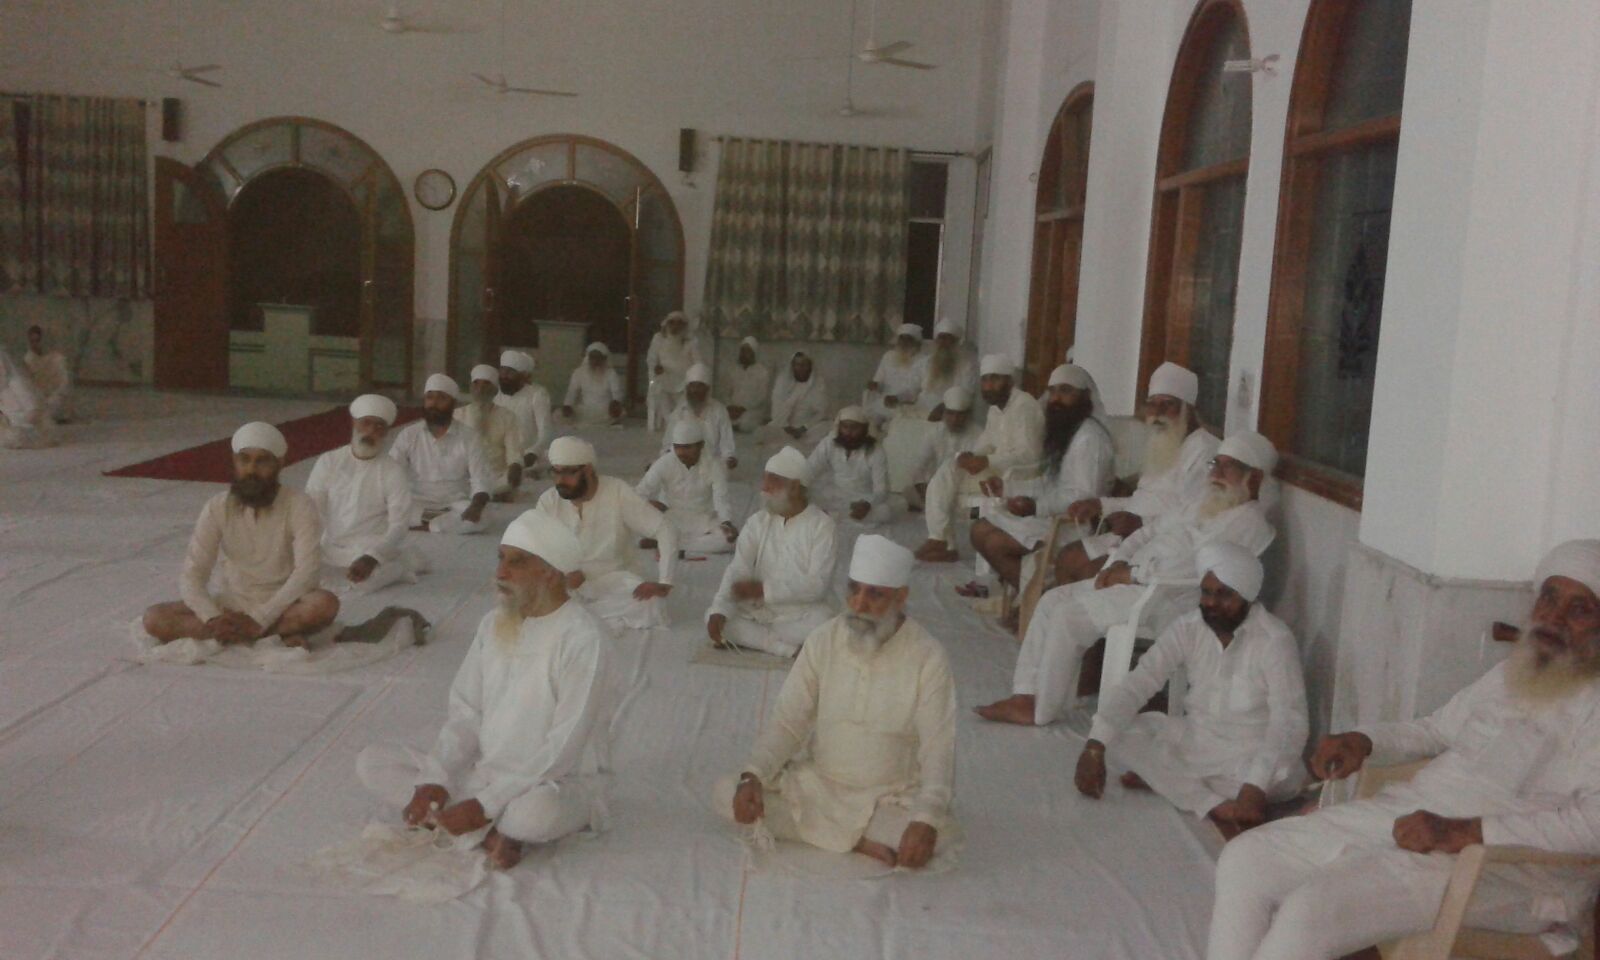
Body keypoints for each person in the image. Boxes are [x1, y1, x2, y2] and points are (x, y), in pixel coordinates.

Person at [1207, 540, 1600, 960]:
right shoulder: (1511, 673)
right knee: (1247, 858)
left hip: (1502, 869)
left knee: (1312, 910)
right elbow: (1434, 730)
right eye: (1549, 597)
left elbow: (1592, 825)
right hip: (1415, 817)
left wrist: (1466, 832)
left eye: (1579, 609)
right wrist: (1365, 741)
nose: (1553, 618)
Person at [355, 512, 615, 871]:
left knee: (533, 816)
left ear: (550, 572)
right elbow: (466, 712)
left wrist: (486, 804)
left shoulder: (584, 638)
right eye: (500, 559)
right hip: (485, 769)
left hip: (553, 781)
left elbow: (564, 746)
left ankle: (485, 825)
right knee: (372, 762)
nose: (500, 573)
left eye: (517, 562)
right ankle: (491, 833)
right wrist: (436, 779)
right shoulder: (493, 623)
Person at [978, 431, 1279, 727]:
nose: (1217, 474)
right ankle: (1025, 694)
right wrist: (1118, 562)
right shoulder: (1204, 501)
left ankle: (1040, 711)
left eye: (1229, 467)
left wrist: (1132, 574)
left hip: (1167, 597)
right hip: (1135, 579)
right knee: (1051, 600)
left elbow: (1195, 571)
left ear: (1253, 478)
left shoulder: (1248, 522)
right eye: (1216, 464)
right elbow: (1149, 531)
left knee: (1068, 617)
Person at [713, 535, 956, 869]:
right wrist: (752, 775)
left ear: (901, 598)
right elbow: (788, 722)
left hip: (887, 797)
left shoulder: (928, 656)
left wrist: (925, 818)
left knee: (937, 835)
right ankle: (856, 840)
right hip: (819, 786)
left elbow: (938, 747)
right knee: (727, 792)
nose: (859, 604)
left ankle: (837, 833)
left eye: (874, 594)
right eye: (854, 590)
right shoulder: (823, 640)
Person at [1073, 543, 1308, 834]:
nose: (1211, 603)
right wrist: (1094, 746)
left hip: (1249, 760)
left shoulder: (1274, 639)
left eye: (1224, 594)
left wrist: (1255, 786)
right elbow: (1140, 682)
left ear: (1247, 595)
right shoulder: (1188, 628)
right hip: (1197, 743)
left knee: (1284, 776)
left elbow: (1290, 720)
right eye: (1206, 593)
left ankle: (1179, 786)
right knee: (1124, 733)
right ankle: (1210, 801)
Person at [142, 422, 338, 648]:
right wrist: (212, 618)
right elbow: (193, 573)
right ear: (235, 462)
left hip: (285, 604)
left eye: (262, 461)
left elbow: (307, 573)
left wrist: (262, 617)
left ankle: (243, 633)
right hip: (232, 604)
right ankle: (267, 633)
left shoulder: (299, 505)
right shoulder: (217, 506)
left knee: (324, 604)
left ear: (279, 463)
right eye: (244, 460)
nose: (251, 469)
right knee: (154, 618)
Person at [1057, 361, 1220, 584]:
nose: (1157, 413)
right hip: (1133, 535)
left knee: (1087, 573)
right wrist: (1101, 505)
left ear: (1188, 409)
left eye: (1167, 404)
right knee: (1067, 558)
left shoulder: (1205, 450)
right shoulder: (1162, 442)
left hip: (1165, 545)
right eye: (1152, 405)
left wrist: (1142, 522)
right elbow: (1144, 499)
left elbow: (1192, 515)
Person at [964, 364, 1114, 595]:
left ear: (1084, 396)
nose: (1056, 399)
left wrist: (1036, 506)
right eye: (1052, 391)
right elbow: (1048, 481)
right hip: (1051, 515)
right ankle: (1031, 599)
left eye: (1065, 391)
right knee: (979, 529)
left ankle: (1037, 600)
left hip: (1074, 525)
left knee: (994, 542)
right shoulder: (1066, 431)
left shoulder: (1090, 438)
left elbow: (1084, 498)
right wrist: (1007, 487)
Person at [529, 436, 675, 631]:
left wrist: (665, 581)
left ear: (588, 470)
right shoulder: (548, 502)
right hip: (568, 586)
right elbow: (535, 550)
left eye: (568, 472)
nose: (560, 480)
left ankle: (576, 619)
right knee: (531, 599)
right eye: (555, 472)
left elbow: (665, 528)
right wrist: (560, 577)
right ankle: (584, 618)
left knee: (652, 604)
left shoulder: (617, 492)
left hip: (615, 581)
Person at [706, 447, 838, 657]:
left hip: (801, 614)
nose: (764, 488)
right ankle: (785, 648)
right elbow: (738, 568)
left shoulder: (822, 526)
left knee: (826, 624)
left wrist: (764, 590)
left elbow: (817, 584)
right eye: (764, 480)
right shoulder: (758, 521)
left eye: (772, 482)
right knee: (716, 618)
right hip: (758, 612)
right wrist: (719, 608)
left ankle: (766, 641)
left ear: (794, 487)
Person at [914, 354, 1045, 563]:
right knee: (950, 467)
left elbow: (1029, 454)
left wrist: (986, 461)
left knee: (951, 486)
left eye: (995, 379)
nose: (988, 386)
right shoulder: (995, 410)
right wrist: (971, 456)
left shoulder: (1025, 406)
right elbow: (986, 442)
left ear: (1009, 381)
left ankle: (942, 541)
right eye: (985, 380)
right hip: (995, 471)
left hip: (1018, 476)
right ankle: (940, 540)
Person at [305, 394, 419, 593]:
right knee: (291, 573)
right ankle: (402, 560)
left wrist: (372, 557)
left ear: (386, 432)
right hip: (330, 547)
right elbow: (311, 509)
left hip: (370, 548)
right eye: (366, 423)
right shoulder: (329, 461)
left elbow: (399, 525)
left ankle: (399, 567)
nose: (371, 431)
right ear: (354, 423)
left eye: (379, 426)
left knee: (364, 583)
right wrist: (306, 547)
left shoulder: (392, 470)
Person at [389, 374, 493, 534]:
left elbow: (480, 478)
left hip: (455, 502)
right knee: (385, 510)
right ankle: (439, 523)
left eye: (441, 398)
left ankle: (424, 525)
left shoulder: (469, 437)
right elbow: (392, 471)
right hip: (417, 501)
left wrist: (476, 507)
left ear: (453, 403)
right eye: (430, 397)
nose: (434, 403)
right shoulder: (409, 434)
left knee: (483, 516)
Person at [636, 420, 737, 555]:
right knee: (638, 519)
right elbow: (640, 492)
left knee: (727, 541)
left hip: (703, 520)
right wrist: (648, 504)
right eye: (677, 447)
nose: (681, 452)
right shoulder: (664, 463)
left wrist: (726, 523)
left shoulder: (714, 465)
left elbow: (721, 499)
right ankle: (672, 540)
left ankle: (671, 543)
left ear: (701, 445)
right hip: (671, 517)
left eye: (687, 448)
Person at [804, 406, 892, 526]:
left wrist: (868, 504)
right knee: (805, 493)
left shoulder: (876, 451)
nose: (849, 432)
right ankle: (837, 515)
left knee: (884, 511)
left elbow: (881, 490)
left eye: (855, 428)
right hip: (835, 494)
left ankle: (831, 515)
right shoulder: (829, 443)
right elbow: (809, 469)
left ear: (865, 429)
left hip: (863, 498)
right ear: (839, 427)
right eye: (845, 427)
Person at [905, 387, 983, 511]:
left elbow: (979, 471)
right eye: (950, 413)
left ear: (968, 415)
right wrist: (924, 491)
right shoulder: (934, 432)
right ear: (944, 413)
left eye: (960, 415)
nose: (954, 420)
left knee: (979, 507)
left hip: (965, 490)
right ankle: (936, 508)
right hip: (936, 488)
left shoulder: (979, 434)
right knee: (909, 492)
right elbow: (918, 465)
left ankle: (969, 517)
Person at [455, 364, 525, 500]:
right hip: (464, 477)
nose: (480, 389)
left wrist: (515, 466)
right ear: (470, 388)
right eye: (476, 383)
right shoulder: (457, 415)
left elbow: (514, 452)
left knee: (508, 481)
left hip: (496, 477)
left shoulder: (507, 416)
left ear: (495, 390)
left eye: (486, 384)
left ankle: (486, 493)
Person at [661, 363, 736, 468]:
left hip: (712, 465)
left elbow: (727, 444)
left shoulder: (719, 410)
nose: (695, 390)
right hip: (683, 465)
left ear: (707, 389)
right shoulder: (678, 412)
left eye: (699, 386)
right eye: (692, 386)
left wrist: (729, 459)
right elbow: (668, 445)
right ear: (687, 388)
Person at [496, 349, 552, 476]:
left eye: (510, 372)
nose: (504, 376)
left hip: (528, 461)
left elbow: (546, 433)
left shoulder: (537, 394)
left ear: (521, 375)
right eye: (502, 370)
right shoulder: (496, 394)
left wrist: (532, 453)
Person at [863, 323, 928, 428]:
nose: (904, 342)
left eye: (908, 339)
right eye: (901, 338)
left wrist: (898, 398)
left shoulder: (924, 360)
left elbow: (917, 389)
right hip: (884, 404)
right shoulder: (888, 356)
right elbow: (879, 381)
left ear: (917, 342)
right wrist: (875, 385)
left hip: (908, 407)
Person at [646, 311, 703, 430]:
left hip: (684, 384)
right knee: (656, 388)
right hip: (663, 380)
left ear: (684, 326)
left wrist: (694, 382)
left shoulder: (691, 342)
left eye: (679, 323)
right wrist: (656, 369)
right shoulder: (658, 339)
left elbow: (698, 364)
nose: (675, 326)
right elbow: (651, 360)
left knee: (684, 414)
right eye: (672, 323)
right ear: (666, 324)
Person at [766, 351, 832, 448]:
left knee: (828, 427)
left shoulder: (818, 384)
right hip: (784, 426)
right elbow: (776, 408)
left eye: (804, 365)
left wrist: (804, 428)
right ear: (792, 366)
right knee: (765, 432)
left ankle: (793, 441)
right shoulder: (783, 382)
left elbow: (821, 412)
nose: (801, 368)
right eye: (797, 364)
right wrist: (786, 427)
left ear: (810, 366)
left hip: (808, 427)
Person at [915, 317, 977, 417]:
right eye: (940, 338)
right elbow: (914, 386)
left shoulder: (967, 366)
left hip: (952, 415)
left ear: (956, 342)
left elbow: (967, 392)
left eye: (948, 338)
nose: (943, 342)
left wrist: (944, 407)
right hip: (922, 412)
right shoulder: (925, 363)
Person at [560, 342, 625, 426]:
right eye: (593, 357)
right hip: (585, 410)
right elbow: (571, 392)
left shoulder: (611, 374)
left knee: (620, 414)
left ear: (604, 359)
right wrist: (567, 405)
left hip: (605, 411)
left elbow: (617, 394)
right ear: (588, 358)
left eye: (599, 358)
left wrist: (615, 404)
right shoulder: (579, 372)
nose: (596, 361)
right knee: (558, 415)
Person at [0, 345, 50, 449]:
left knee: (12, 437)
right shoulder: (3, 390)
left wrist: (18, 422)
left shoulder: (17, 383)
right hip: (11, 426)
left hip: (28, 428)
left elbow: (35, 410)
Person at [24, 325, 73, 423]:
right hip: (38, 398)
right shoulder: (29, 359)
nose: (34, 344)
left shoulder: (57, 359)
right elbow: (29, 383)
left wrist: (51, 399)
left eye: (37, 341)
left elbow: (63, 385)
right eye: (32, 341)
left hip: (55, 399)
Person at [726, 336, 771, 433]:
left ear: (754, 353)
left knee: (746, 422)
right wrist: (730, 407)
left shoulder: (762, 372)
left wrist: (742, 409)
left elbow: (761, 397)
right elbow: (727, 392)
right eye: (742, 350)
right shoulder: (734, 370)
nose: (744, 354)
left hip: (752, 411)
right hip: (733, 409)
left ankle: (734, 427)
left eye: (748, 351)